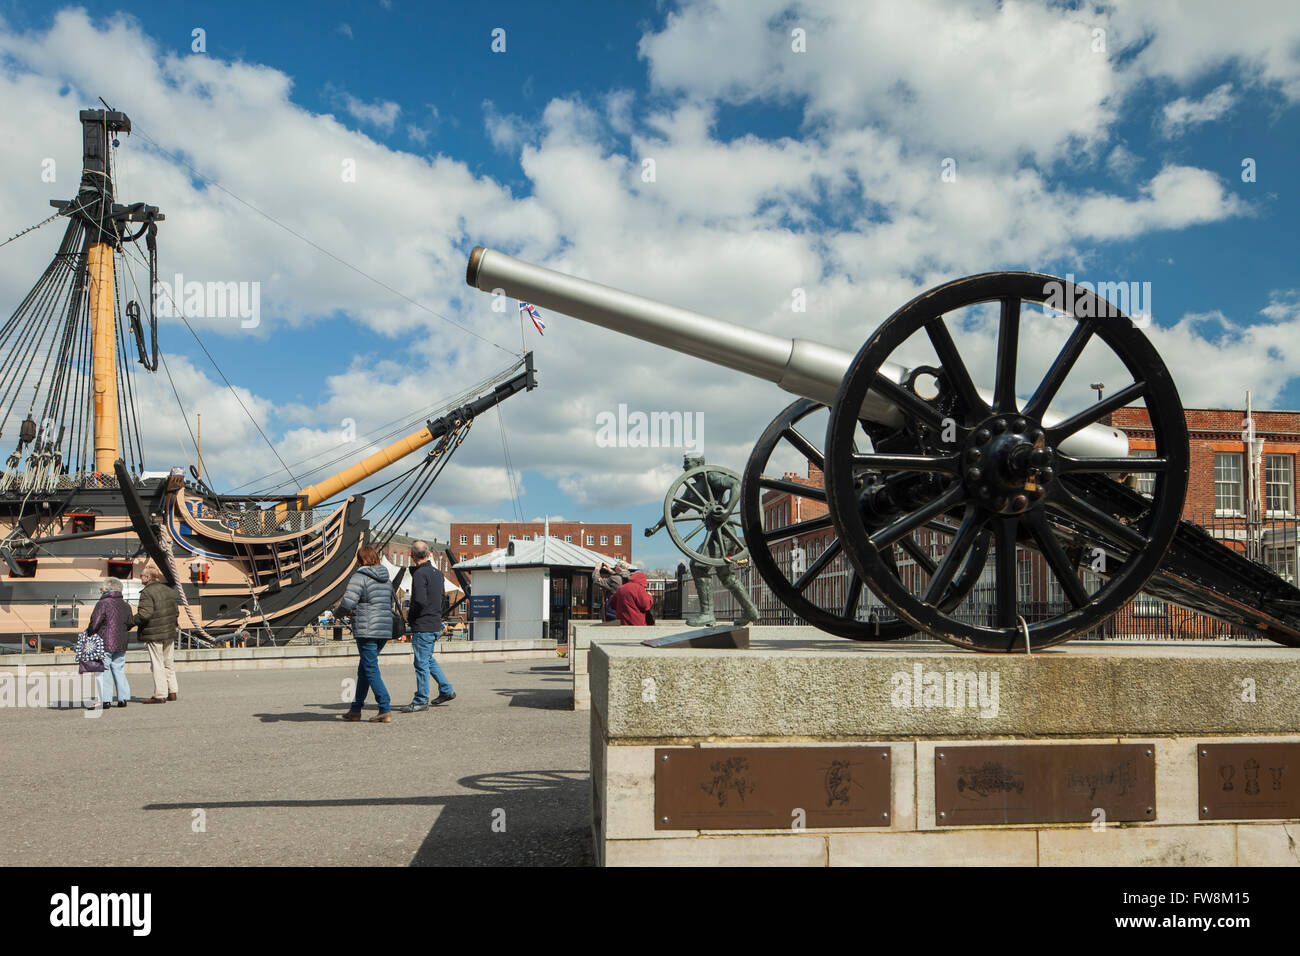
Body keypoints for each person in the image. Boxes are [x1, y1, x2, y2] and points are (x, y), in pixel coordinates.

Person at [338, 545, 396, 723]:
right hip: (384, 629)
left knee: (370, 668)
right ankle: (355, 709)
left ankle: (384, 707)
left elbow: (348, 603)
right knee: (364, 668)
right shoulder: (386, 579)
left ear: (360, 560)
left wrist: (337, 613)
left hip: (366, 628)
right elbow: (390, 603)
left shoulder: (359, 576)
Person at [404, 540, 454, 712]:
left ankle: (421, 700)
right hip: (435, 623)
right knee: (428, 660)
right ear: (429, 554)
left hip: (423, 624)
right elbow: (442, 599)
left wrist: (410, 618)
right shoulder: (438, 574)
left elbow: (418, 601)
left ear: (411, 555)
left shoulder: (419, 574)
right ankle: (446, 690)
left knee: (421, 664)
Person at [132, 565, 179, 704]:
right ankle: (172, 691)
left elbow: (145, 614)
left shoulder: (147, 592)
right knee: (168, 662)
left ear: (147, 577)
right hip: (169, 632)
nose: (140, 578)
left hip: (154, 633)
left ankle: (160, 694)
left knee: (157, 664)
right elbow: (176, 611)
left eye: (141, 575)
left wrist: (130, 621)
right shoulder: (169, 590)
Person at [89, 578, 132, 707]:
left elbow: (95, 623)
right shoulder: (126, 605)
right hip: (121, 642)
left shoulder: (102, 603)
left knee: (104, 669)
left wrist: (90, 633)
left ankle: (105, 700)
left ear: (107, 589)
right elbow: (130, 623)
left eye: (102, 588)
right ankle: (123, 699)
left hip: (104, 641)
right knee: (119, 668)